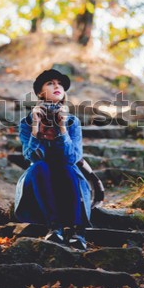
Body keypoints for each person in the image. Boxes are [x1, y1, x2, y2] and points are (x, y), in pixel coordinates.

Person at [14, 69, 92, 250]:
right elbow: (30, 157)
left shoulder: (73, 122)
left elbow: (73, 158)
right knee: (39, 166)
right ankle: (54, 227)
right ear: (40, 93)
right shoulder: (27, 122)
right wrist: (35, 129)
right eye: (50, 83)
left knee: (67, 167)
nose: (57, 86)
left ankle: (76, 230)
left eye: (60, 84)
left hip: (67, 185)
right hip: (40, 191)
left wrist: (63, 129)